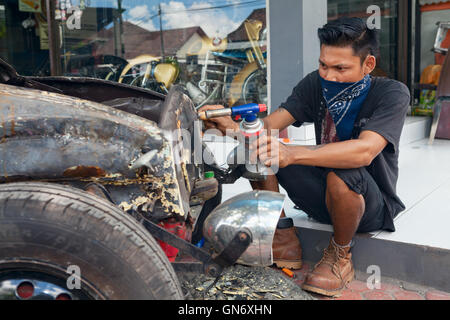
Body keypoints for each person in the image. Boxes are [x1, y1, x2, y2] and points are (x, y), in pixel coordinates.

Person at [199, 17, 410, 297]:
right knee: (258, 146)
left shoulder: (392, 93)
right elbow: (268, 127)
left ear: (368, 65)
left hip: (368, 206)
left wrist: (292, 153)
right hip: (322, 197)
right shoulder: (316, 84)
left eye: (340, 68)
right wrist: (232, 128)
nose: (328, 75)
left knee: (343, 172)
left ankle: (339, 255)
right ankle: (283, 236)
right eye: (323, 64)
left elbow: (364, 151)